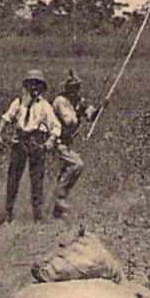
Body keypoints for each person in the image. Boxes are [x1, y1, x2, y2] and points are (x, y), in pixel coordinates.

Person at [0, 69, 62, 223]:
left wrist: (50, 141)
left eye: (37, 84)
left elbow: (56, 126)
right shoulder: (18, 103)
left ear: (42, 87)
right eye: (31, 84)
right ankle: (8, 214)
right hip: (19, 144)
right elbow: (5, 118)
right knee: (13, 179)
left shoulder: (45, 106)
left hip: (37, 144)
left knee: (37, 181)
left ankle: (38, 217)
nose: (34, 88)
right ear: (26, 86)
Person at [51, 70, 99, 218]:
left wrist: (98, 110)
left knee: (65, 172)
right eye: (73, 87)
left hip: (67, 143)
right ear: (67, 88)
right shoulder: (61, 101)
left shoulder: (78, 100)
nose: (76, 90)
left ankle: (57, 211)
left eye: (78, 87)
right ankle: (58, 197)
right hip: (55, 141)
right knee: (77, 164)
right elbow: (69, 121)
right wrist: (80, 110)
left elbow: (90, 115)